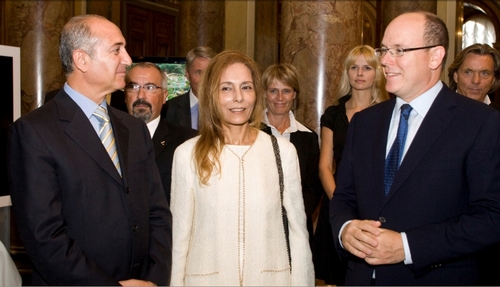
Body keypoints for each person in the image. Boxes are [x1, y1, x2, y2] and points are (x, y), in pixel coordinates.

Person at [329, 11, 500, 285]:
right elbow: (343, 198)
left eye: (399, 50)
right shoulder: (364, 123)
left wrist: (408, 247)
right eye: (384, 50)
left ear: (435, 57)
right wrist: (346, 229)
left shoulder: (481, 123)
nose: (385, 60)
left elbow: (492, 217)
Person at [7, 14, 172, 286]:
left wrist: (154, 279)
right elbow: (45, 238)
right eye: (117, 49)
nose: (128, 59)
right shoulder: (34, 132)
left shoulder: (133, 128)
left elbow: (157, 213)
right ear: (81, 59)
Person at [170, 50, 314, 286]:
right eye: (226, 88)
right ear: (211, 94)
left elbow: (299, 233)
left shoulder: (283, 152)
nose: (238, 97)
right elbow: (179, 238)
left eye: (246, 87)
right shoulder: (187, 154)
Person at [314, 44, 388, 285]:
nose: (359, 73)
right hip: (337, 201)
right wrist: (340, 204)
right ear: (346, 72)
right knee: (336, 276)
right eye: (354, 67)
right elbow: (325, 165)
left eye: (367, 67)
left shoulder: (388, 113)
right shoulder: (333, 114)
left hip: (375, 207)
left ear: (377, 72)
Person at [260, 63, 322, 249]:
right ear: (264, 93)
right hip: (258, 226)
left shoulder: (308, 137)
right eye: (273, 91)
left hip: (297, 227)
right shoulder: (249, 134)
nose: (280, 98)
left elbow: (313, 186)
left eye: (286, 91)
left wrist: (295, 214)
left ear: (294, 94)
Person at [124, 62, 197, 203]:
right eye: (133, 87)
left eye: (150, 87)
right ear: (125, 95)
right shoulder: (106, 139)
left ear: (164, 96)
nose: (141, 95)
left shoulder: (189, 142)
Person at [165, 46, 216, 130]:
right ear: (187, 75)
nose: (205, 79)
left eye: (209, 73)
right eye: (199, 72)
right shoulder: (169, 110)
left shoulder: (226, 107)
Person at [447, 43, 500, 111]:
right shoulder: (437, 111)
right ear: (456, 76)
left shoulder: (497, 115)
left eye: (484, 73)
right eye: (468, 72)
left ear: (493, 80)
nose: (476, 81)